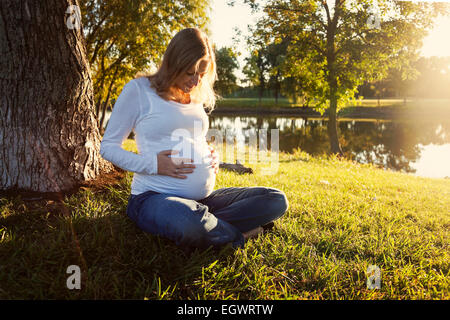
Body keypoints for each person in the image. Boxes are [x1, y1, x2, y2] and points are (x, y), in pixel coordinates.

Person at [100, 28, 288, 250]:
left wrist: (209, 153)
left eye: (202, 73)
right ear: (174, 64)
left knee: (275, 199)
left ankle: (212, 225)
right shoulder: (139, 90)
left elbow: (192, 136)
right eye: (190, 73)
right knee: (189, 223)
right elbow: (108, 147)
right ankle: (237, 234)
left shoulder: (195, 96)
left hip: (203, 200)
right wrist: (153, 164)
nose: (196, 80)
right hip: (154, 197)